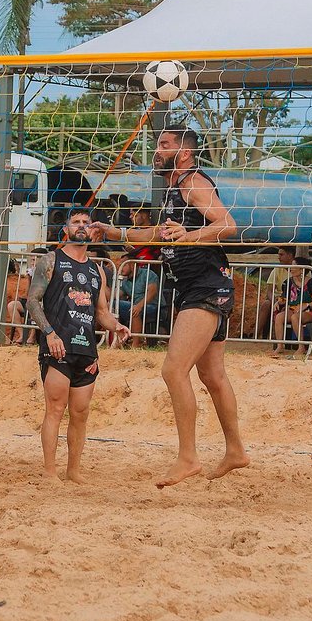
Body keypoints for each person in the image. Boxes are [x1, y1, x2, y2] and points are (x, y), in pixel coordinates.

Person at [94, 127, 247, 487]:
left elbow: (227, 224)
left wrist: (189, 236)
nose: (157, 150)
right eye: (157, 144)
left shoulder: (193, 183)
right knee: (212, 376)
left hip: (206, 286)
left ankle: (188, 458)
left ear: (185, 153)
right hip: (198, 286)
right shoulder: (173, 190)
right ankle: (236, 451)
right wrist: (114, 232)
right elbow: (156, 235)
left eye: (164, 145)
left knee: (173, 370)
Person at [23, 208, 129, 484]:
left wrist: (116, 326)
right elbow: (32, 301)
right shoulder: (51, 260)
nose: (81, 226)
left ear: (92, 229)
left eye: (85, 222)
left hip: (86, 350)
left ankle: (73, 471)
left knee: (80, 413)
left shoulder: (97, 270)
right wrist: (49, 334)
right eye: (76, 222)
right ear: (66, 228)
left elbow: (101, 312)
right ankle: (50, 471)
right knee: (55, 410)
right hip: (58, 347)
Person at [267, 247, 312, 357]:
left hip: (308, 311)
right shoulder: (288, 282)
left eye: (294, 266)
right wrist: (278, 302)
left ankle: (301, 347)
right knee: (279, 317)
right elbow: (284, 298)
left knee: (295, 317)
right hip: (293, 309)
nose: (291, 269)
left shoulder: (311, 282)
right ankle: (280, 346)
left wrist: (305, 305)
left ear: (302, 269)